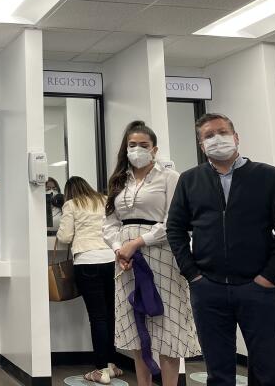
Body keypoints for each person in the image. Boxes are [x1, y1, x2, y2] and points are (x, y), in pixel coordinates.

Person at [166, 113, 275, 386]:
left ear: (236, 137)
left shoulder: (270, 177)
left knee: (269, 371)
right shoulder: (189, 180)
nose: (216, 139)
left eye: (222, 132)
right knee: (218, 374)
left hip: (259, 289)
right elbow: (175, 228)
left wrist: (270, 276)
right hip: (208, 289)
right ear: (201, 145)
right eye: (208, 136)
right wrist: (192, 274)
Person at [103, 121, 200, 386]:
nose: (137, 150)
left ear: (154, 149)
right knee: (136, 327)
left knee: (167, 326)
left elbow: (174, 221)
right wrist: (118, 249)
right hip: (125, 261)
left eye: (143, 145)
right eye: (132, 145)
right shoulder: (118, 180)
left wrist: (138, 242)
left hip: (161, 255)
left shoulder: (170, 177)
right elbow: (109, 223)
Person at [56, 176, 123, 384]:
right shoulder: (104, 200)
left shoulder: (71, 204)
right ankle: (112, 364)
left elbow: (65, 236)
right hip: (111, 259)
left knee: (97, 317)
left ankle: (100, 370)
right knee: (111, 314)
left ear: (69, 192)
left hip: (87, 261)